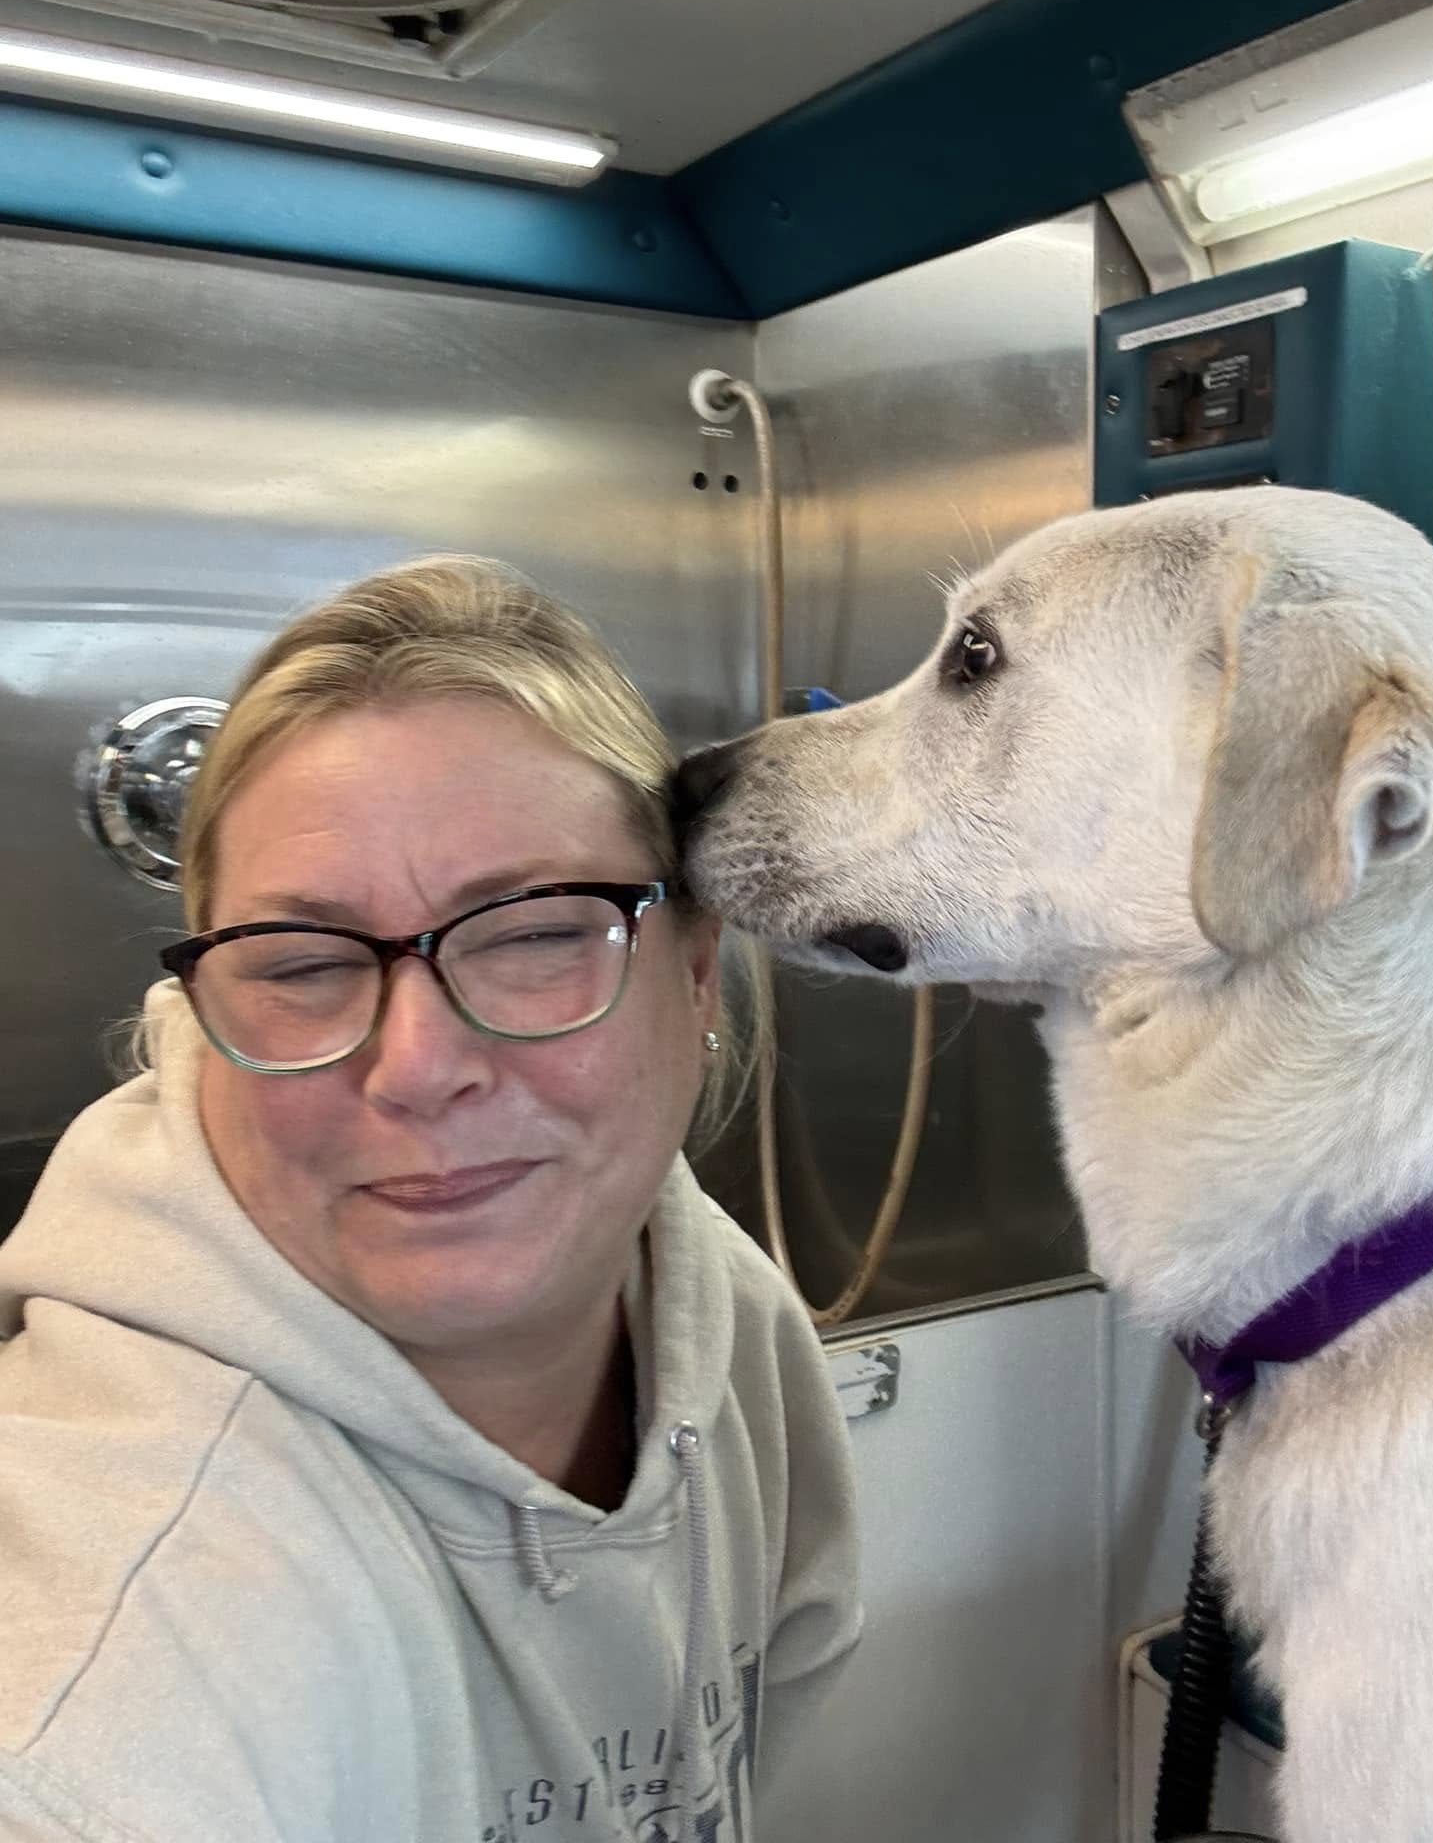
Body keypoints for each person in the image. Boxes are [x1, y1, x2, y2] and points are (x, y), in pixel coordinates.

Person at [0, 557, 860, 1843]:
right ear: (202, 1008)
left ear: (693, 973)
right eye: (300, 963)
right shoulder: (116, 1649)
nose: (416, 1067)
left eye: (529, 935)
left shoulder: (712, 1306)